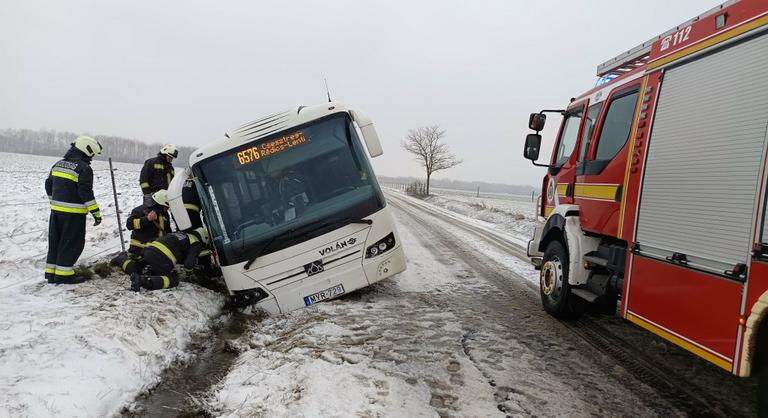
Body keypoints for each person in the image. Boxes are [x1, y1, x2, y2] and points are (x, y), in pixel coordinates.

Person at [44, 135, 103, 284]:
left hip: (56, 212)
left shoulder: (58, 164)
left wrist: (54, 202)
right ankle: (64, 275)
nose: (92, 158)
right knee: (71, 244)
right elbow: (85, 193)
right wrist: (95, 212)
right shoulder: (84, 168)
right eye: (92, 154)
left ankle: (51, 273)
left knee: (55, 242)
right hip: (74, 214)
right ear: (86, 150)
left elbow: (48, 185)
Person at [110, 190, 171, 275]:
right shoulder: (140, 210)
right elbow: (129, 225)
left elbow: (167, 231)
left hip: (155, 250)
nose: (167, 209)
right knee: (135, 270)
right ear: (159, 204)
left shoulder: (164, 214)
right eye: (165, 207)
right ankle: (121, 259)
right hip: (139, 250)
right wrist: (147, 219)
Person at [130, 227, 209, 291]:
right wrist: (189, 274)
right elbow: (188, 264)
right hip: (161, 257)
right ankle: (142, 280)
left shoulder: (181, 234)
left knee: (160, 270)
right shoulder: (196, 242)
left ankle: (146, 273)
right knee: (173, 280)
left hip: (149, 251)